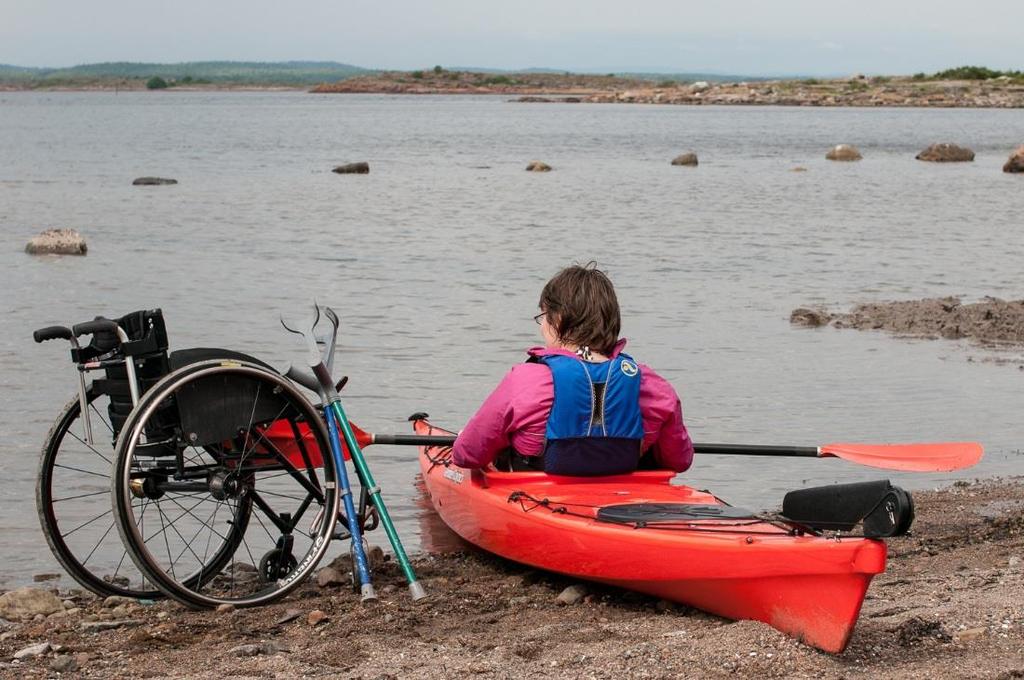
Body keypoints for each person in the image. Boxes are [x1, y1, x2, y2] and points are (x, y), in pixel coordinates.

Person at [453, 263, 693, 475]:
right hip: (623, 500)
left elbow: (467, 454)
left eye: (544, 316)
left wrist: (464, 437)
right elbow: (679, 460)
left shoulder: (527, 380)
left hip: (539, 500)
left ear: (557, 320)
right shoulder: (653, 385)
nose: (542, 326)